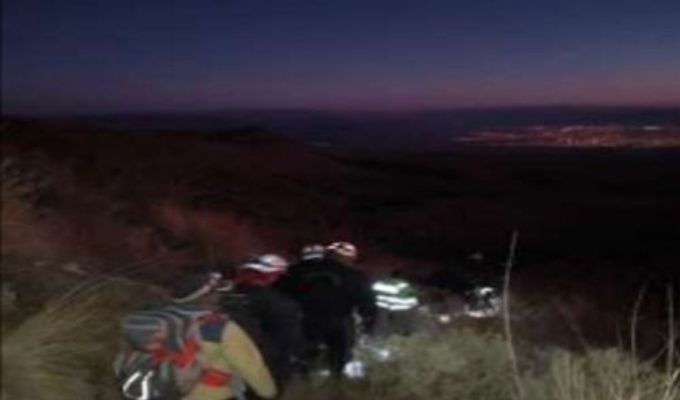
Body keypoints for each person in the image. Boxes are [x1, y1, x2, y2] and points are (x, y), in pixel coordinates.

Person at [115, 272, 276, 400]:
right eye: (216, 292)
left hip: (165, 392)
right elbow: (251, 366)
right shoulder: (220, 328)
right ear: (205, 297)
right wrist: (268, 393)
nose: (220, 295)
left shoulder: (154, 322)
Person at [278, 241, 377, 378]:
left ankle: (302, 378)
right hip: (339, 321)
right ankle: (335, 379)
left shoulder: (297, 270)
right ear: (351, 258)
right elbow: (367, 302)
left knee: (303, 355)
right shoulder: (355, 275)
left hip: (304, 320)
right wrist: (368, 324)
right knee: (339, 357)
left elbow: (280, 293)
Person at [218, 254, 306, 392]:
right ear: (273, 276)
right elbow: (289, 338)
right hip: (264, 364)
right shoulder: (280, 303)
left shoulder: (219, 299)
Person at [372, 270, 420, 336]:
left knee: (382, 323)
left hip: (380, 306)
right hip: (397, 308)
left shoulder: (380, 282)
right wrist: (415, 304)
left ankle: (382, 333)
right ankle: (402, 332)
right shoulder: (402, 285)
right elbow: (409, 297)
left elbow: (373, 292)